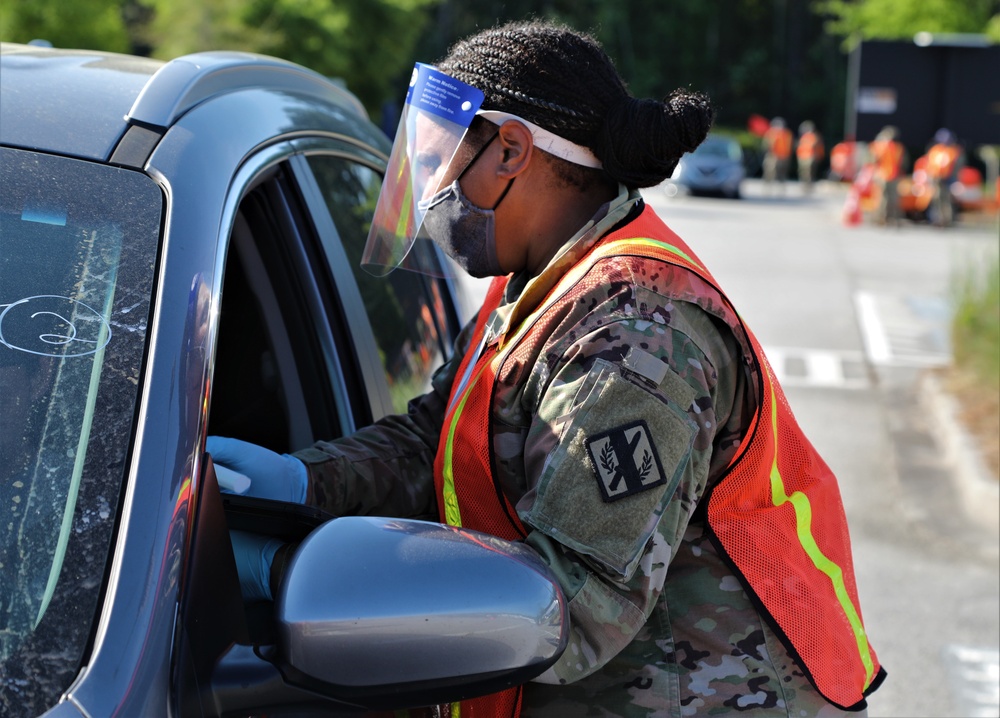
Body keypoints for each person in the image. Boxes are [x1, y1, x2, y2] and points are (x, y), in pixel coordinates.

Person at [209, 20, 885, 717]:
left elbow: (569, 608)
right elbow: (436, 439)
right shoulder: (545, 279)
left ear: (510, 150)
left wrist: (285, 572)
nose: (430, 190)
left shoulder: (633, 338)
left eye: (439, 160)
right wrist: (299, 482)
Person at [925, 128, 964, 227]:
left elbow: (956, 167)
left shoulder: (954, 151)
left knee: (946, 200)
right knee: (936, 199)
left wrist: (954, 180)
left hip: (947, 180)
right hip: (936, 179)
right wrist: (930, 178)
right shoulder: (935, 150)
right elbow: (930, 165)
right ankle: (936, 220)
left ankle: (946, 220)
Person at [868, 126, 906, 226]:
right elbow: (903, 163)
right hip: (893, 175)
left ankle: (881, 219)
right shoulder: (899, 147)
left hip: (882, 174)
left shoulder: (879, 146)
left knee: (882, 198)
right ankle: (891, 218)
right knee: (892, 198)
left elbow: (874, 160)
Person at [762, 116, 793, 191]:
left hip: (783, 156)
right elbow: (766, 144)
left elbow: (789, 145)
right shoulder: (770, 133)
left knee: (781, 172)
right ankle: (768, 186)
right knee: (770, 171)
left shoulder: (787, 134)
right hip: (773, 155)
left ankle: (780, 187)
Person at [796, 120, 824, 193]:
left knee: (809, 173)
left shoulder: (814, 136)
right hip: (802, 157)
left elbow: (816, 147)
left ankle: (808, 186)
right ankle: (804, 185)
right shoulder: (804, 137)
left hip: (809, 157)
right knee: (803, 172)